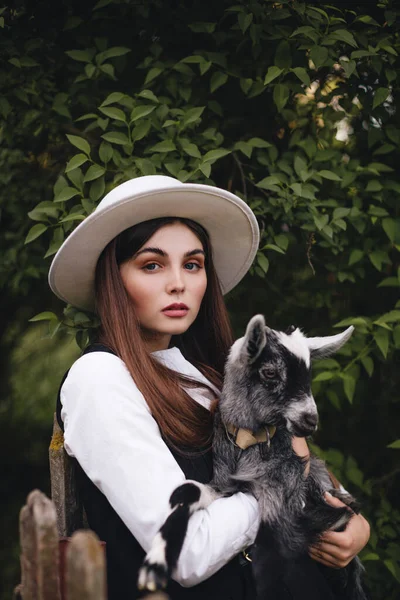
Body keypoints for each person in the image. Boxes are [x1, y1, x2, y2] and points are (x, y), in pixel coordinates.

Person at [49, 175, 370, 600]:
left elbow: (300, 461)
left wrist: (353, 521)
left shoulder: (206, 375)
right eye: (152, 264)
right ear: (114, 279)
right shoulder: (100, 379)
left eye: (193, 264)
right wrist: (284, 489)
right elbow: (188, 551)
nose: (178, 283)